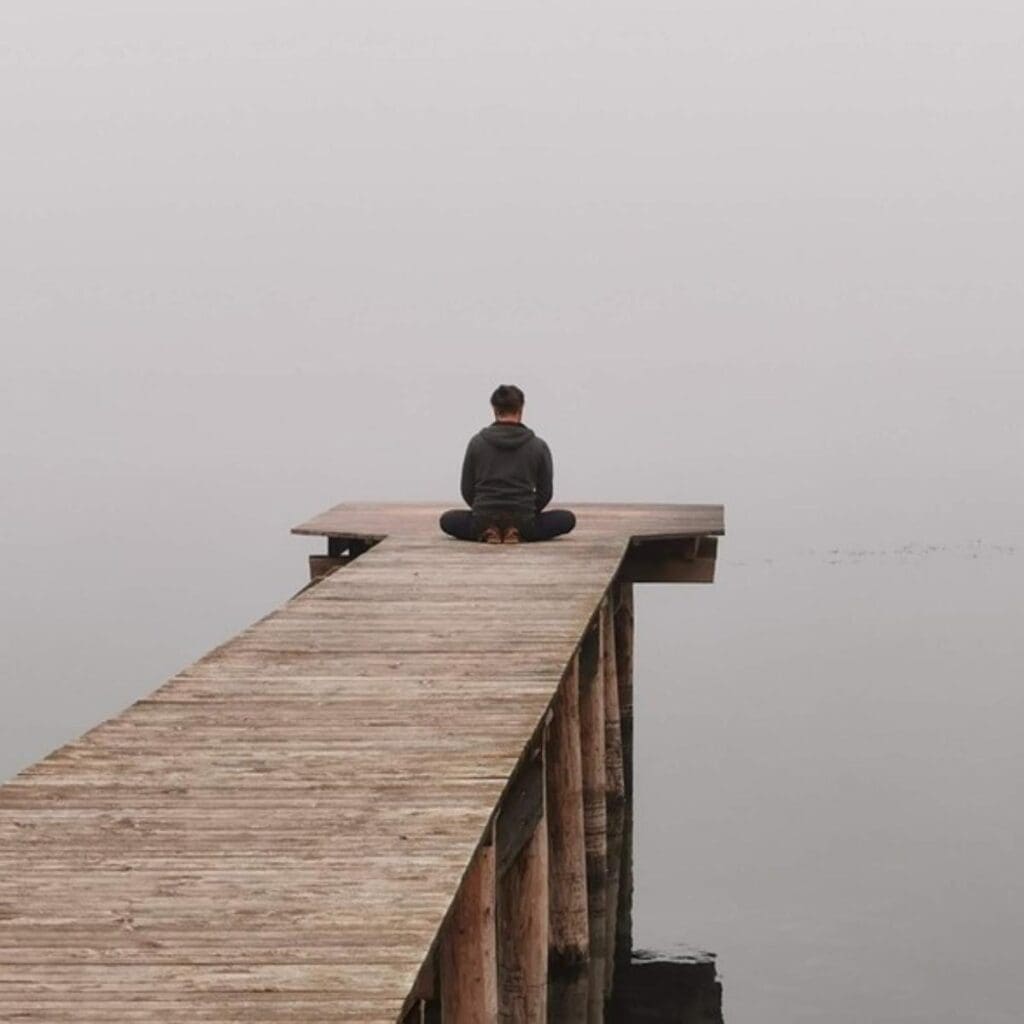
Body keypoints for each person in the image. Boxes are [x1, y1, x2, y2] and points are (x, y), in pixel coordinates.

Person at [439, 385, 577, 543]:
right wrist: (528, 511)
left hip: (483, 519)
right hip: (525, 520)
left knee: (447, 520)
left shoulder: (476, 443)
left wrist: (484, 511)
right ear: (521, 409)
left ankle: (490, 531)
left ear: (494, 410)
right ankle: (516, 531)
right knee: (567, 519)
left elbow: (467, 490)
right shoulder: (538, 445)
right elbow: (545, 493)